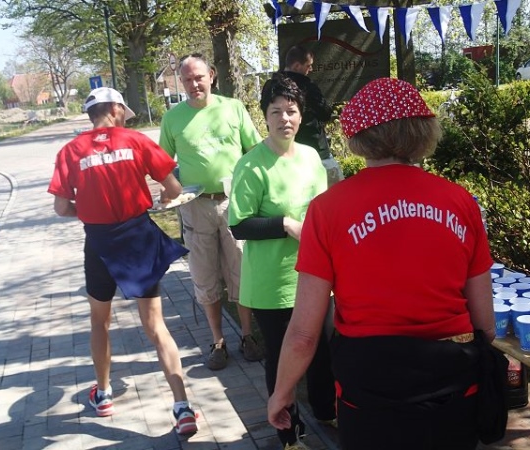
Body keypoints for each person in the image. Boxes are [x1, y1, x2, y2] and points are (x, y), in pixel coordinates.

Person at [267, 78, 495, 450]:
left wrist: (282, 392)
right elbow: (485, 323)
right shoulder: (460, 202)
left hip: (368, 385)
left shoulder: (327, 210)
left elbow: (304, 334)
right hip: (452, 382)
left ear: (358, 135)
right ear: (423, 130)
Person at [47, 87, 198, 435]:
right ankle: (182, 407)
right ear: (115, 109)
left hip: (98, 243)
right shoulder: (135, 140)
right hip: (138, 240)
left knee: (99, 322)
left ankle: (103, 395)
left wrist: (88, 210)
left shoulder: (70, 151)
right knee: (156, 326)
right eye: (124, 113)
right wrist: (164, 197)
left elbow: (60, 207)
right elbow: (175, 189)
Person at [228, 74, 336, 450]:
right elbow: (239, 224)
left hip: (314, 276)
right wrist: (286, 224)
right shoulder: (251, 165)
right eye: (276, 112)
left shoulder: (310, 157)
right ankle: (289, 434)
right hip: (272, 284)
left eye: (291, 111)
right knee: (281, 360)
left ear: (301, 115)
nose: (284, 119)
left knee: (323, 347)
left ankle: (326, 410)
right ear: (265, 117)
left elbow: (322, 212)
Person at [159, 53, 264, 370]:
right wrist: (169, 189)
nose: (194, 84)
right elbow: (161, 163)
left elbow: (255, 151)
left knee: (242, 270)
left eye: (199, 77)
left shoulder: (233, 108)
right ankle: (218, 341)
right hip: (194, 206)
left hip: (234, 203)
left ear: (212, 76)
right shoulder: (173, 118)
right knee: (204, 276)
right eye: (187, 79)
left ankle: (247, 335)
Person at [281, 45, 343, 187]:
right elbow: (325, 112)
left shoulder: (272, 86)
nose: (311, 69)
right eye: (308, 66)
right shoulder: (307, 85)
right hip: (315, 146)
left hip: (285, 149)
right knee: (333, 189)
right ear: (297, 66)